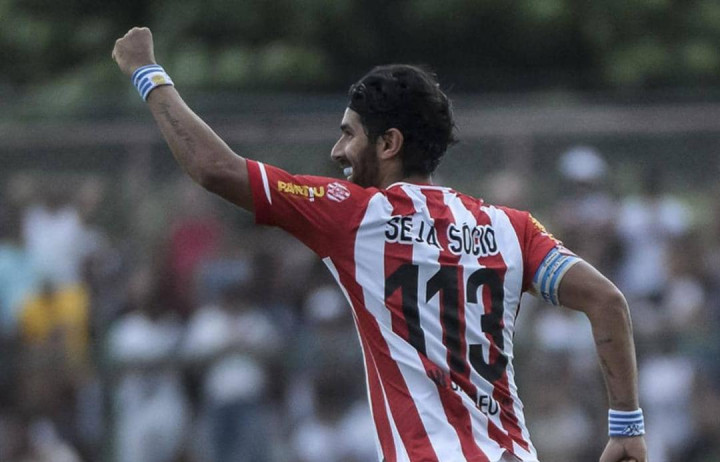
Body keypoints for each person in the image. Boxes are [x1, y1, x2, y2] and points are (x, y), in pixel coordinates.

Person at [112, 27, 647, 462]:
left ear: (389, 143)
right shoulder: (512, 227)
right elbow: (608, 301)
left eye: (349, 133)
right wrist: (626, 427)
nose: (337, 149)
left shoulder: (356, 216)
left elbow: (215, 169)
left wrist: (146, 71)